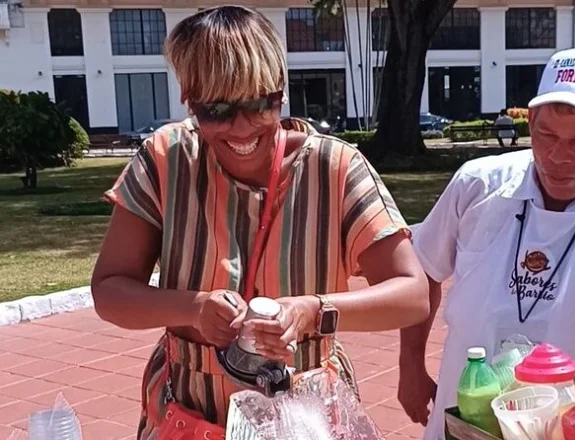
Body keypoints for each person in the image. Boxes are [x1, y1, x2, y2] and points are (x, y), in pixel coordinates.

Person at [91, 6, 429, 438]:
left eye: (257, 104)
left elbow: (412, 294)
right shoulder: (166, 160)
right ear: (189, 101)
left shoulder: (335, 167)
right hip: (190, 411)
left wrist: (311, 312)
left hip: (305, 416)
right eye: (216, 110)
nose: (241, 128)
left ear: (280, 93)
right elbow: (110, 290)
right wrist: (193, 309)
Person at [398, 46, 575, 440]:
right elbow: (423, 272)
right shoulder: (478, 183)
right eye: (546, 135)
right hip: (462, 412)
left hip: (567, 425)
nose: (558, 156)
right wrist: (411, 366)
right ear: (531, 122)